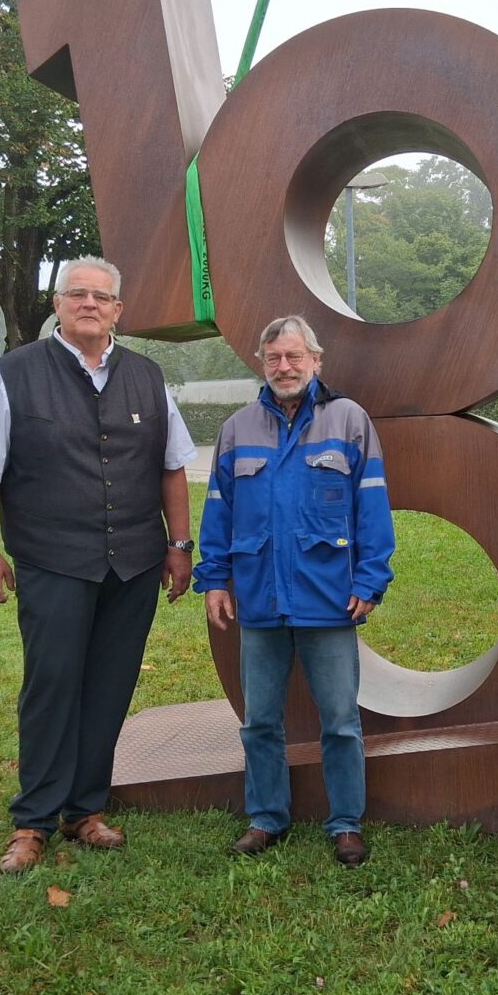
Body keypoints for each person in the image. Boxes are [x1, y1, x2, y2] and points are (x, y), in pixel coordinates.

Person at [0, 256, 196, 873]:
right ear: (59, 305)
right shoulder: (16, 374)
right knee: (52, 685)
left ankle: (84, 809)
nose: (90, 304)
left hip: (136, 563)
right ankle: (33, 819)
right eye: (77, 294)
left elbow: (172, 467)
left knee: (110, 685)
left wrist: (180, 545)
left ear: (119, 310)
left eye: (102, 297)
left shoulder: (148, 376)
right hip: (53, 559)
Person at [196, 315, 396, 867]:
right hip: (259, 598)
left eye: (294, 356)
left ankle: (346, 823)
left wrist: (371, 577)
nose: (284, 367)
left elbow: (371, 506)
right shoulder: (237, 429)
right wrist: (214, 578)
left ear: (315, 360)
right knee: (259, 719)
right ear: (262, 364)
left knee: (339, 720)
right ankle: (266, 818)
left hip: (329, 597)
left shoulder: (349, 419)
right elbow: (219, 509)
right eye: (273, 358)